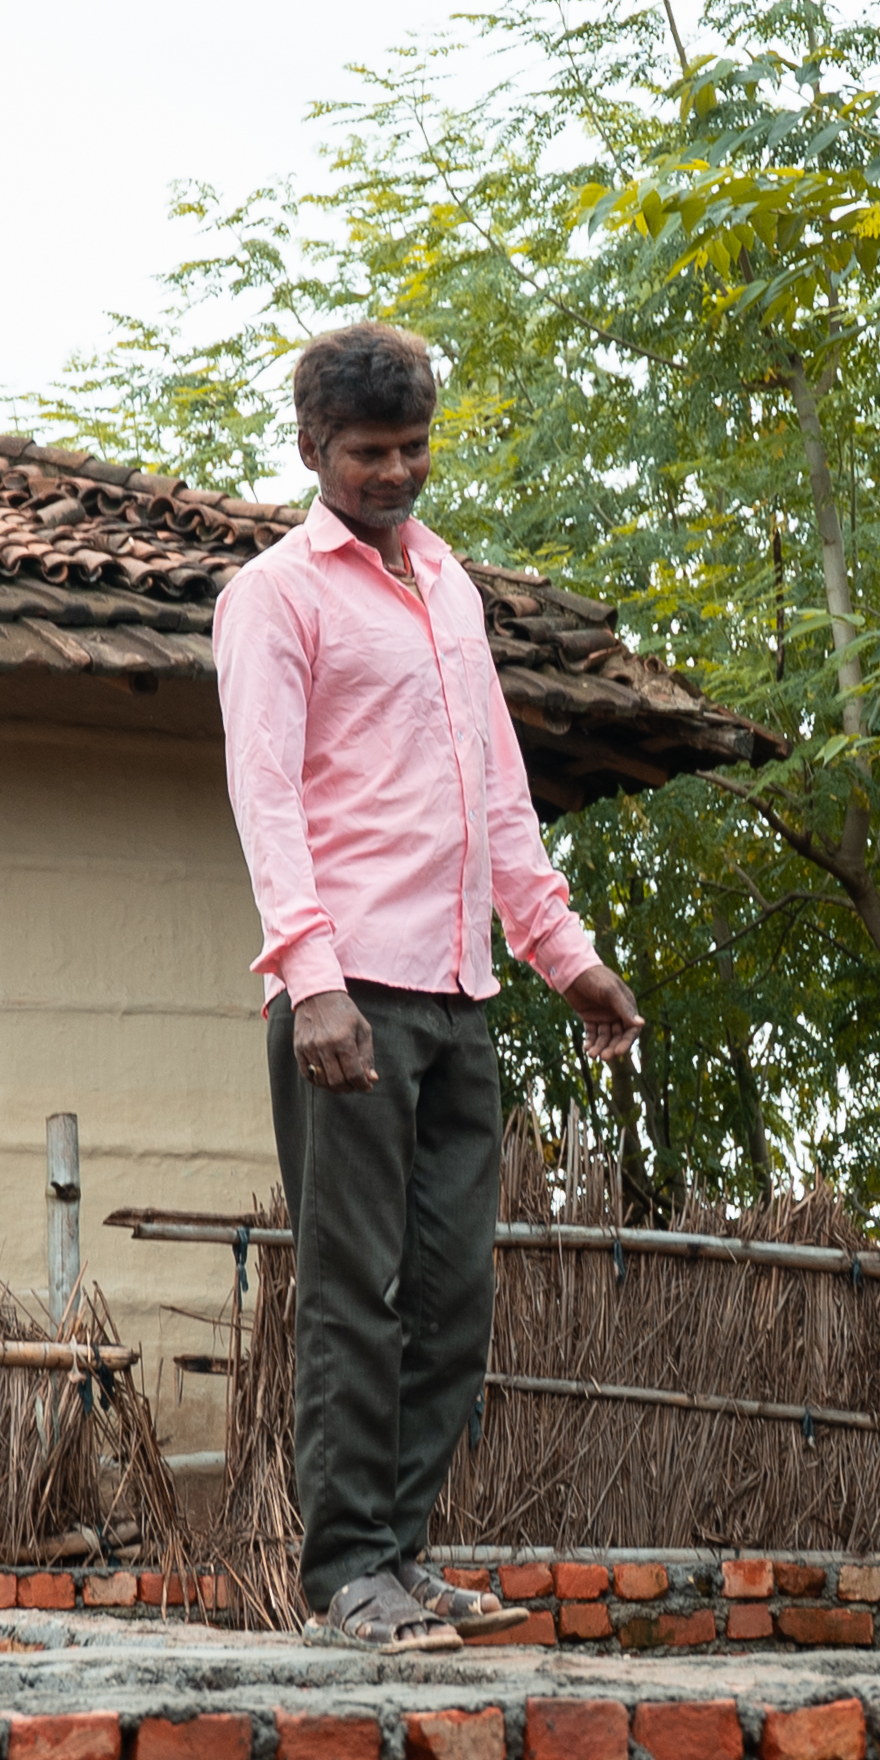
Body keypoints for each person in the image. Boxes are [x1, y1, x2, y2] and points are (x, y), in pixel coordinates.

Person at [212, 321, 649, 1654]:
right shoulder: (274, 595)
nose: (395, 473)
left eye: (411, 449)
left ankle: (399, 1552)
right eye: (367, 452)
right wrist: (311, 972)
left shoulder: (447, 586)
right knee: (354, 1288)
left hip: (462, 991)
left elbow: (497, 799)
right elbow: (266, 797)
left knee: (453, 1293)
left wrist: (563, 956)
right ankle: (347, 1574)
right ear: (310, 450)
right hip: (351, 996)